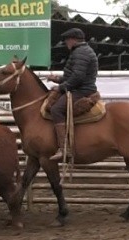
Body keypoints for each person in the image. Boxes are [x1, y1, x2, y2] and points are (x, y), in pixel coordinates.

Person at [46, 28, 98, 161]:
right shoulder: (81, 51)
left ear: (73, 40)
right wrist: (57, 79)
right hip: (81, 87)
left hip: (82, 90)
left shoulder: (80, 52)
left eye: (67, 40)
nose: (65, 42)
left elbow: (78, 77)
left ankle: (64, 149)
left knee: (56, 109)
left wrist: (61, 87)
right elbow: (73, 76)